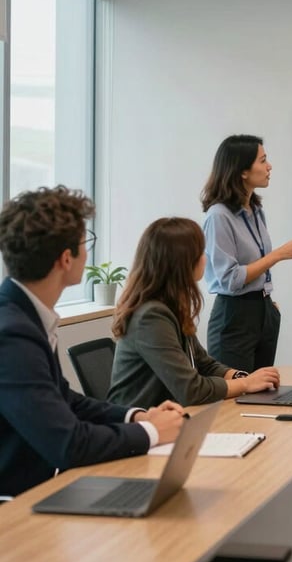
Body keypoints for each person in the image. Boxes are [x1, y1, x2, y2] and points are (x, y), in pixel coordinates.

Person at [0, 186, 184, 498]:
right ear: (66, 259)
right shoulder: (12, 334)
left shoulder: (25, 314)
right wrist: (152, 432)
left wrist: (137, 416)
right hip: (15, 507)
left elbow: (65, 400)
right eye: (86, 243)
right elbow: (69, 445)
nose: (87, 253)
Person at [108, 217, 281, 409]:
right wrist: (245, 385)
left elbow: (204, 364)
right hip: (143, 422)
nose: (205, 258)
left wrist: (242, 377)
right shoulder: (150, 317)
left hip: (170, 415)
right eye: (201, 252)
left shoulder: (170, 306)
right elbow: (191, 390)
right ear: (182, 262)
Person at [201, 135, 292, 373]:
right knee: (237, 391)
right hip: (234, 316)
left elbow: (254, 266)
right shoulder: (218, 216)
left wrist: (266, 307)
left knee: (262, 388)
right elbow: (230, 279)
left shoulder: (255, 210)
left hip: (262, 311)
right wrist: (279, 254)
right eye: (263, 161)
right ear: (242, 171)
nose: (269, 166)